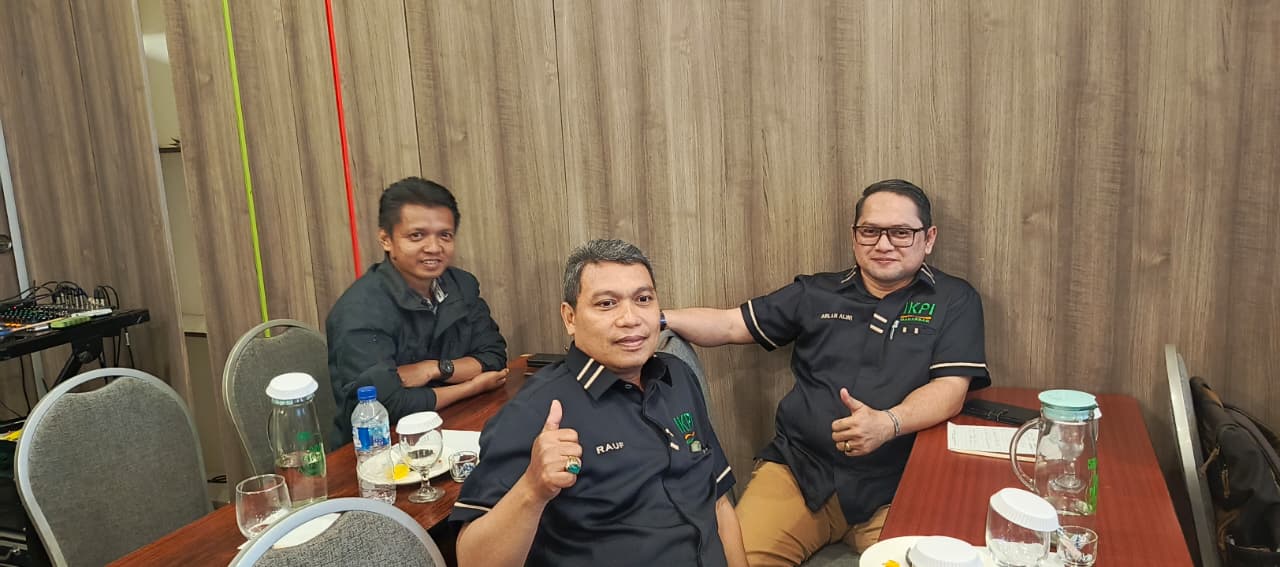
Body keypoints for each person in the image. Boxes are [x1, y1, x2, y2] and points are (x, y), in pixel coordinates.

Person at [663, 179, 990, 565]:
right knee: (736, 561)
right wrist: (654, 319)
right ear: (855, 236)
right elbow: (731, 324)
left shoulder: (954, 299)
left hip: (898, 484)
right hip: (800, 472)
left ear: (928, 238)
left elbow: (951, 388)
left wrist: (888, 424)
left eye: (901, 232)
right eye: (870, 231)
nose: (884, 244)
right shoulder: (816, 292)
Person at [451, 239, 747, 567]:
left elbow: (719, 502)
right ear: (570, 318)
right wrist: (532, 490)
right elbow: (472, 560)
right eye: (607, 304)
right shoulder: (534, 411)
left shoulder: (677, 376)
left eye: (643, 299)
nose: (630, 318)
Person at [326, 177, 509, 444]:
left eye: (444, 235)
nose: (434, 248)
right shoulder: (359, 311)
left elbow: (493, 357)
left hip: (452, 427)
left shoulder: (460, 285)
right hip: (378, 447)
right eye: (417, 235)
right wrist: (471, 386)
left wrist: (433, 369)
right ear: (386, 240)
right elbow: (386, 405)